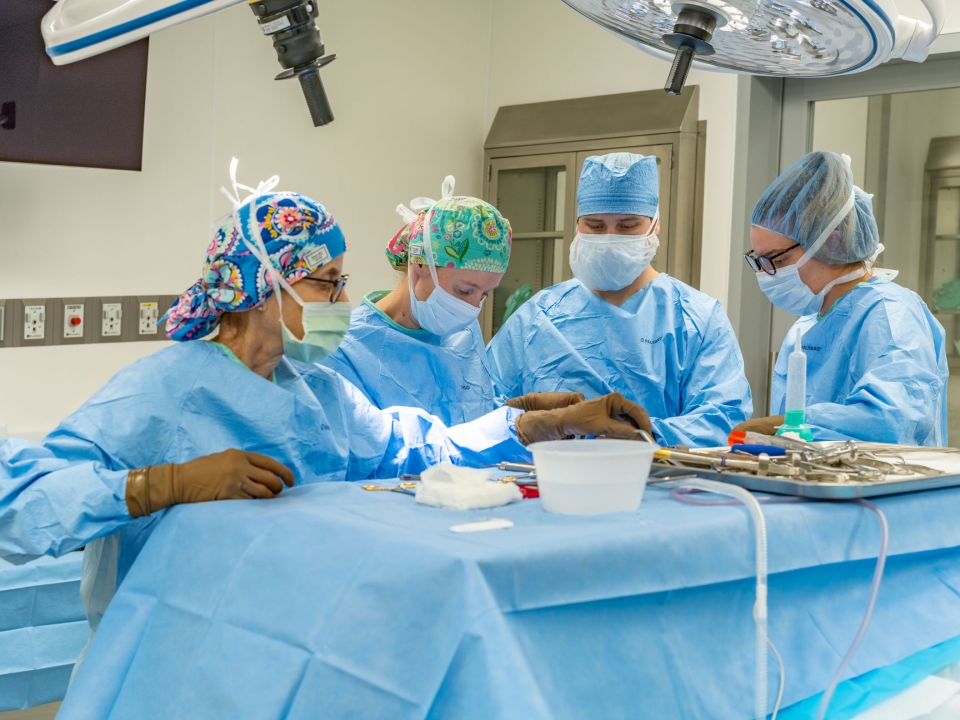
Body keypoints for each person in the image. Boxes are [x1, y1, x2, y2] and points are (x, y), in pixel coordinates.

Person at [0, 164, 650, 644]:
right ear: (263, 285)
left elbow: (419, 448)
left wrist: (542, 422)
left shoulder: (314, 390)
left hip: (285, 644)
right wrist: (160, 484)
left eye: (343, 282)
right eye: (326, 283)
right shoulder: (164, 388)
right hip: (168, 650)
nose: (344, 301)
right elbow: (22, 500)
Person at [486, 152, 752, 447]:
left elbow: (722, 419)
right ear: (577, 225)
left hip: (658, 484)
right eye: (595, 226)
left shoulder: (696, 318)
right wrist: (547, 425)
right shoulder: (538, 316)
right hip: (546, 482)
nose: (610, 238)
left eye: (627, 226)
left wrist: (632, 437)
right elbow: (484, 407)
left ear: (655, 226)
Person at [735, 151, 948, 445]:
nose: (766, 274)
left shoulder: (890, 315)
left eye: (777, 260)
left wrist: (797, 427)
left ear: (832, 242)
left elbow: (890, 421)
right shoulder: (807, 326)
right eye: (759, 261)